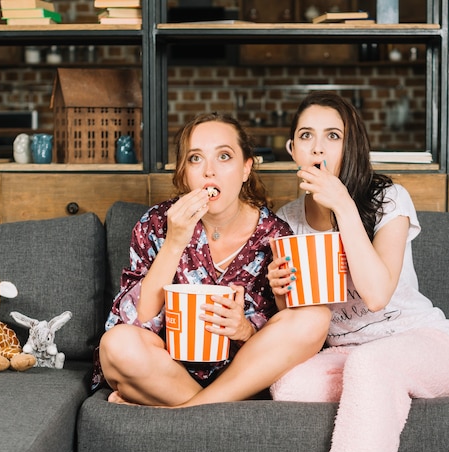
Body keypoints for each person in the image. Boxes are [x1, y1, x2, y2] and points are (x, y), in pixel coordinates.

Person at [267, 92, 449, 452]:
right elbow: (300, 326)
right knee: (286, 383)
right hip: (350, 356)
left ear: (350, 147)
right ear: (292, 148)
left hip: (423, 342)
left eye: (332, 136)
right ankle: (403, 397)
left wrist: (341, 206)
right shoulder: (285, 219)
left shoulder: (387, 199)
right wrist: (277, 290)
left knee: (372, 363)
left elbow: (378, 292)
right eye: (307, 136)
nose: (318, 148)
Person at [97, 112, 330, 407]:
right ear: (183, 173)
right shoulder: (156, 223)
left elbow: (283, 337)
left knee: (315, 318)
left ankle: (183, 410)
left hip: (240, 375)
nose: (209, 171)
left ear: (247, 168)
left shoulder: (276, 236)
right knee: (116, 344)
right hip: (169, 370)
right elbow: (139, 318)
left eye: (224, 156)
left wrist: (244, 330)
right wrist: (175, 241)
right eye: (195, 159)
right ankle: (216, 408)